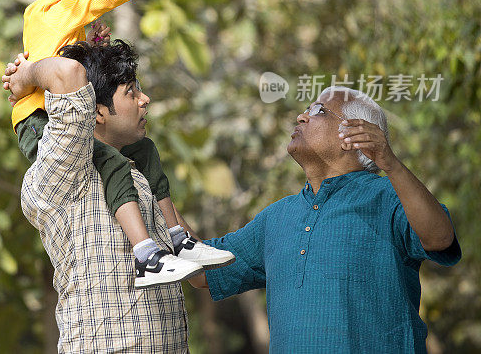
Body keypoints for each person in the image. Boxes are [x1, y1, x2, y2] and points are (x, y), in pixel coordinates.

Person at [9, 0, 232, 286]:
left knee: (144, 150)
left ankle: (179, 239)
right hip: (38, 123)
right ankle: (146, 254)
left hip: (55, 113)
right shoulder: (55, 8)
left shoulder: (58, 17)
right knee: (112, 160)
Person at [189, 86, 461, 353]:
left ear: (355, 134)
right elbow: (201, 272)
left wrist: (391, 163)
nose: (301, 117)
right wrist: (156, 191)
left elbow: (440, 237)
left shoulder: (389, 196)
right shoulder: (275, 218)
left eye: (318, 110)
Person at [2, 41, 230, 352]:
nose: (145, 100)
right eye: (132, 93)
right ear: (96, 112)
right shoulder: (67, 171)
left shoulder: (136, 174)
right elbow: (68, 72)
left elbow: (199, 275)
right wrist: (27, 74)